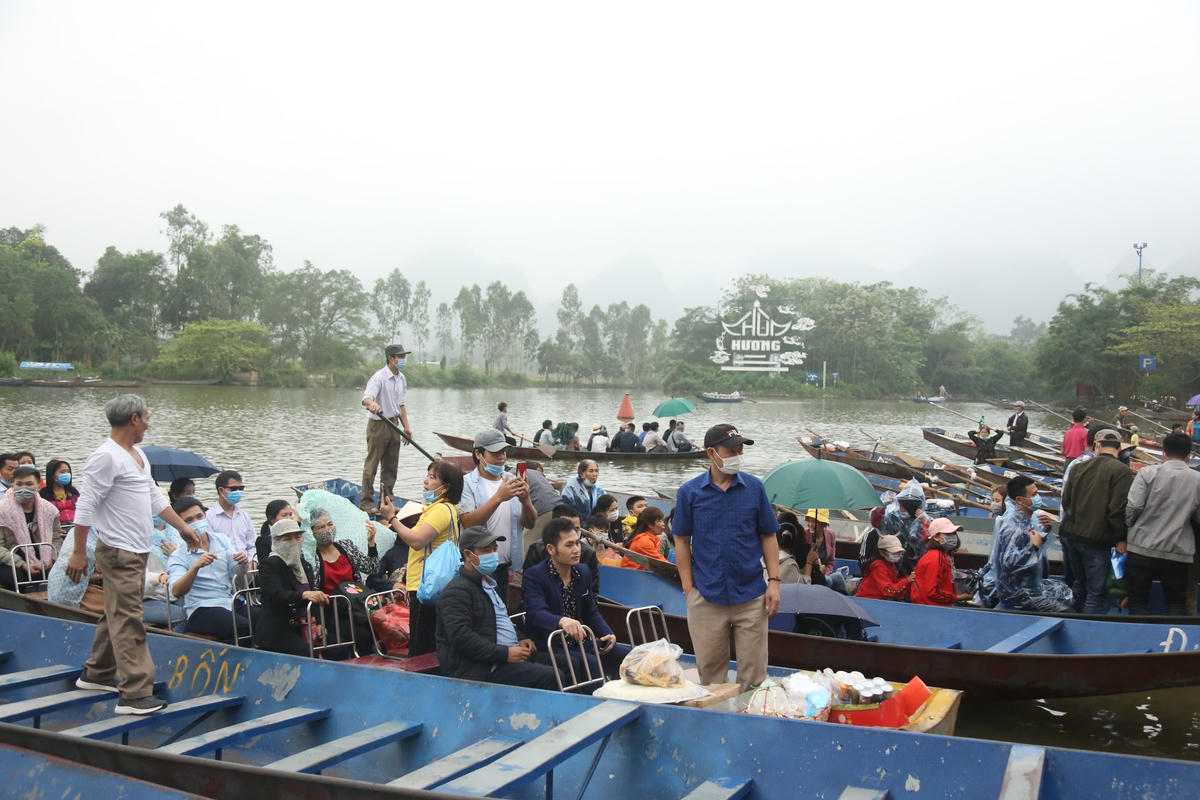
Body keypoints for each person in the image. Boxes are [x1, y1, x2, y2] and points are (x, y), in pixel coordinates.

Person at [67, 394, 201, 716]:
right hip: (118, 550)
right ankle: (135, 693)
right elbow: (85, 506)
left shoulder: (137, 454)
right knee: (129, 619)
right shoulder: (105, 457)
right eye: (147, 417)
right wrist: (77, 553)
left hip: (137, 549)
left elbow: (154, 496)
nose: (148, 422)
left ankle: (97, 673)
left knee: (116, 612)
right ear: (134, 419)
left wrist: (183, 527)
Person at [674, 424, 780, 693]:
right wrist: (688, 589)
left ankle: (749, 724)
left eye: (740, 449)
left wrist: (774, 582)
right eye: (731, 450)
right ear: (712, 453)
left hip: (751, 594)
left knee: (754, 677)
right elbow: (682, 541)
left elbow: (768, 536)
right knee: (711, 677)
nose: (737, 454)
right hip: (706, 595)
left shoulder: (754, 488)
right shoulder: (690, 492)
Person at [436, 525, 561, 690]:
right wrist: (505, 654)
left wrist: (519, 637)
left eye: (495, 549)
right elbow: (461, 637)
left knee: (570, 664)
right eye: (486, 550)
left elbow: (499, 619)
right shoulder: (457, 591)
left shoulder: (490, 584)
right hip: (482, 667)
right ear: (468, 555)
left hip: (507, 655)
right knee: (551, 676)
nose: (493, 554)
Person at [522, 518, 630, 681]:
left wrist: (607, 633)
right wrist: (562, 621)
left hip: (581, 640)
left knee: (628, 656)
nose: (576, 550)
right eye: (569, 545)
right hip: (551, 644)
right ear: (551, 549)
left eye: (577, 543)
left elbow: (590, 611)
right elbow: (536, 612)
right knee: (591, 664)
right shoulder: (535, 576)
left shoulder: (583, 571)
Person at [378, 460, 464, 656]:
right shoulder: (441, 509)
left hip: (427, 584)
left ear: (446, 487)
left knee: (421, 646)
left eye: (432, 478)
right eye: (427, 476)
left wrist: (392, 518)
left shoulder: (441, 509)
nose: (426, 481)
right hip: (428, 583)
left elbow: (417, 540)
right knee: (429, 641)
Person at [1059, 429, 1135, 614]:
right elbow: (1117, 511)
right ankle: (1085, 631)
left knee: (1079, 583)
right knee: (1096, 592)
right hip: (1096, 539)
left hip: (1070, 535)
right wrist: (1122, 538)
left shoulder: (1078, 466)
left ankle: (1072, 620)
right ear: (1119, 448)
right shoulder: (1122, 471)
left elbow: (1065, 501)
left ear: (1097, 446)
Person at [1124, 433, 1200, 616]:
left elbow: (1133, 507)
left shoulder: (1147, 473)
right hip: (1178, 552)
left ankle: (1141, 638)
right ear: (1188, 455)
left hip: (1141, 548)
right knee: (1176, 604)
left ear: (1164, 453)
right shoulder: (1197, 480)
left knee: (1138, 602)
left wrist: (1130, 525)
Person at [459, 430, 536, 606]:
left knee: (502, 612)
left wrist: (526, 501)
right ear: (478, 454)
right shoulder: (467, 483)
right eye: (494, 452)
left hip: (505, 565)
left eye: (503, 452)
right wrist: (498, 498)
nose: (501, 456)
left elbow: (530, 523)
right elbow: (468, 522)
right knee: (481, 614)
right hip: (479, 565)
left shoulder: (512, 479)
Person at [167, 497, 253, 642]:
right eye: (189, 521)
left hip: (229, 601)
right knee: (242, 627)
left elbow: (237, 575)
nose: (196, 522)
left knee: (266, 619)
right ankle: (236, 663)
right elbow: (176, 591)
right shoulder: (179, 555)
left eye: (199, 516)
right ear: (181, 526)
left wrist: (243, 563)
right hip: (202, 609)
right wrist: (195, 568)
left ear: (205, 516)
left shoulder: (221, 540)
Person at [992, 476, 1072, 613]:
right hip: (1018, 594)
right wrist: (1033, 547)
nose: (1038, 498)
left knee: (1068, 592)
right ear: (1019, 500)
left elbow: (1035, 545)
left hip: (1032, 585)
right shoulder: (1012, 525)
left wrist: (1045, 531)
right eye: (1034, 495)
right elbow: (1009, 563)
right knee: (1070, 613)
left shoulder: (1027, 518)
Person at [254, 518, 329, 656]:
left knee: (337, 645)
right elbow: (276, 594)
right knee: (305, 653)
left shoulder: (304, 564)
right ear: (276, 541)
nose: (294, 542)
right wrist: (303, 595)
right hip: (279, 629)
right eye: (287, 538)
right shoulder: (270, 565)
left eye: (297, 537)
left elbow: (313, 594)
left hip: (305, 625)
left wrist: (319, 622)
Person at [360, 343, 413, 511]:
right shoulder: (379, 377)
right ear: (391, 358)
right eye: (400, 357)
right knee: (372, 465)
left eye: (404, 356)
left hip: (394, 423)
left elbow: (401, 405)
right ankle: (366, 503)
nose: (403, 360)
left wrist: (407, 427)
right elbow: (366, 398)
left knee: (391, 465)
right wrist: (373, 404)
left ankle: (386, 500)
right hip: (378, 424)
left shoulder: (401, 378)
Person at [0, 466, 65, 590]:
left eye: (29, 484)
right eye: (19, 484)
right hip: (11, 559)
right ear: (13, 485)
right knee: (15, 578)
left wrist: (50, 558)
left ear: (38, 486)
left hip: (44, 557)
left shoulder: (50, 511)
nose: (23, 488)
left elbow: (56, 539)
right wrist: (22, 564)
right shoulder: (2, 511)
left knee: (61, 574)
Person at [523, 505, 601, 596]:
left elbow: (592, 594)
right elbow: (529, 591)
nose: (572, 533)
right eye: (567, 528)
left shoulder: (588, 554)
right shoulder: (537, 551)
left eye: (576, 529)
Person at [911, 518, 971, 606]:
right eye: (948, 534)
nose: (953, 536)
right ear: (936, 537)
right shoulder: (935, 557)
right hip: (930, 609)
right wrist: (958, 597)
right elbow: (932, 592)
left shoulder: (946, 556)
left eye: (954, 533)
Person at [204, 470, 256, 566]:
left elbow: (252, 545)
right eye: (234, 489)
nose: (238, 492)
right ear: (221, 490)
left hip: (248, 570)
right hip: (222, 569)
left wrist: (252, 561)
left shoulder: (244, 516)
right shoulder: (208, 517)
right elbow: (209, 548)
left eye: (241, 488)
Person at [881, 480, 927, 575]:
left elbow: (929, 539)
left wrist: (924, 521)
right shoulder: (892, 517)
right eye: (900, 506)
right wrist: (883, 507)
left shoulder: (923, 520)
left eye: (904, 507)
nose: (901, 510)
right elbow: (879, 525)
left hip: (916, 564)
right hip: (895, 559)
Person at [853, 534, 912, 600]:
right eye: (894, 553)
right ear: (882, 553)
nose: (899, 556)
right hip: (868, 601)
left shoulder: (889, 563)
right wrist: (907, 581)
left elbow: (894, 583)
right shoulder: (878, 566)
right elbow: (888, 590)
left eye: (900, 553)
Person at [803, 509, 846, 593]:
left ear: (823, 524)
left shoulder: (831, 535)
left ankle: (844, 601)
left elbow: (831, 562)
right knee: (828, 581)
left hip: (824, 574)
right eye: (809, 521)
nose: (810, 524)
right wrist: (816, 569)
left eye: (814, 522)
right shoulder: (804, 535)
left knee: (838, 576)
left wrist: (825, 571)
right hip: (808, 575)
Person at [254, 500, 296, 564]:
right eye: (284, 515)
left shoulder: (296, 536)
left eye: (290, 514)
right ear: (271, 519)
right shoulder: (262, 542)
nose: (289, 518)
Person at [40, 459, 79, 525]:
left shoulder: (73, 492)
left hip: (75, 526)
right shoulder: (43, 494)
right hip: (57, 529)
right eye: (62, 472)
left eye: (68, 471)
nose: (66, 474)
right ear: (52, 475)